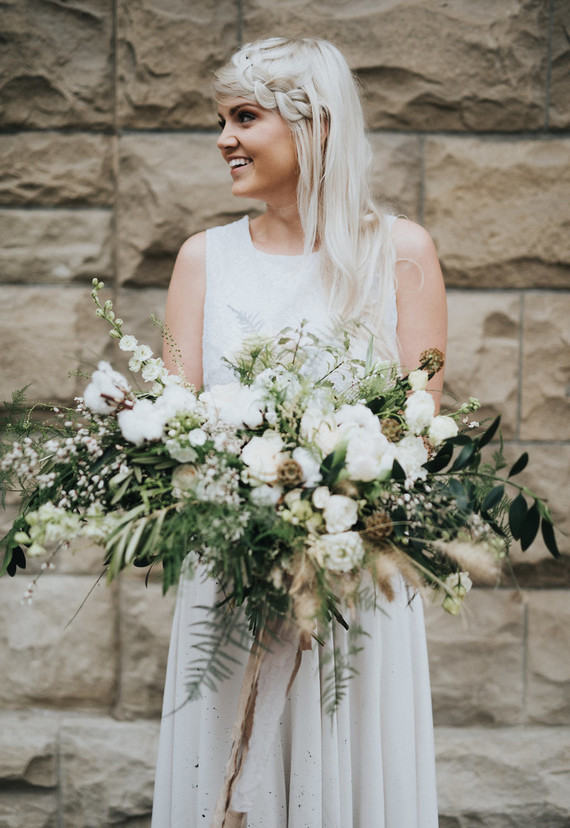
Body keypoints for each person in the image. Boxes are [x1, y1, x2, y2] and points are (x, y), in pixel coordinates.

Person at [152, 36, 446, 828]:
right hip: (232, 584)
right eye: (220, 119)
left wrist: (325, 512)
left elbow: (418, 434)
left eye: (245, 117)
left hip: (354, 590)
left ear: (316, 125)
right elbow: (170, 436)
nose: (224, 140)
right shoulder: (201, 260)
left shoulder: (403, 254)